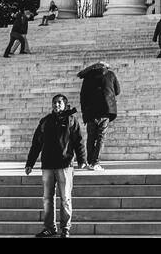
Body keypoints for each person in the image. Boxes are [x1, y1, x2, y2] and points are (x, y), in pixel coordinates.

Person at [25, 93, 86, 238]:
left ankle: (65, 228)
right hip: (47, 165)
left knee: (65, 198)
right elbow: (36, 144)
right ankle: (49, 228)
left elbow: (79, 141)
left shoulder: (71, 120)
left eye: (59, 102)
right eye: (54, 102)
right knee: (47, 198)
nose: (56, 105)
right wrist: (30, 163)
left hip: (65, 164)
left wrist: (82, 159)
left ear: (65, 104)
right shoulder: (46, 121)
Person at [77, 61, 120, 171]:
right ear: (106, 67)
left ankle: (90, 162)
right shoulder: (111, 74)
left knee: (91, 137)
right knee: (101, 137)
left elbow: (83, 96)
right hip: (105, 111)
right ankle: (95, 162)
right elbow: (118, 91)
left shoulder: (87, 77)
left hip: (91, 112)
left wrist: (84, 111)